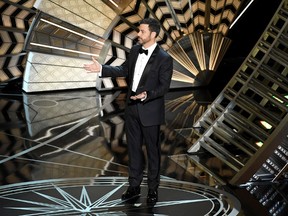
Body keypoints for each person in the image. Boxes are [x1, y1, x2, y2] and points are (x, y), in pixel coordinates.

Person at [83, 18, 173, 204]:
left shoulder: (165, 59)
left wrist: (147, 94)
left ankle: (153, 190)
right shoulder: (134, 51)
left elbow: (164, 87)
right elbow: (123, 70)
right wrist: (101, 68)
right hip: (131, 109)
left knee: (153, 152)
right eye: (139, 31)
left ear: (153, 34)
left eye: (142, 31)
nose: (138, 34)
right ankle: (133, 187)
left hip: (150, 111)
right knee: (133, 150)